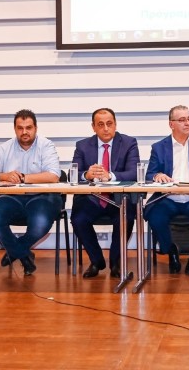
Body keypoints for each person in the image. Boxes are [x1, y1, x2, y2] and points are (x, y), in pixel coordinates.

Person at [0, 109, 62, 276]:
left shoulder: (46, 145)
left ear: (36, 128)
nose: (24, 132)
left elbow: (54, 176)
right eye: (20, 128)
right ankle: (24, 255)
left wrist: (23, 178)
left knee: (40, 222)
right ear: (15, 129)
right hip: (12, 196)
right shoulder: (5, 148)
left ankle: (14, 251)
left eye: (28, 127)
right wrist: (5, 175)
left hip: (42, 196)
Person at [145, 105, 189, 275]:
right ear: (171, 124)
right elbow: (150, 174)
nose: (188, 123)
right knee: (155, 216)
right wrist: (158, 175)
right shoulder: (159, 147)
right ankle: (171, 251)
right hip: (168, 198)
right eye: (182, 120)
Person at [71, 108, 139, 279]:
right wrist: (86, 175)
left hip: (118, 199)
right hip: (92, 198)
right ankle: (96, 261)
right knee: (78, 219)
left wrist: (111, 176)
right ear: (93, 127)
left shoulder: (129, 143)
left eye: (109, 124)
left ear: (115, 124)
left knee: (126, 217)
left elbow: (134, 173)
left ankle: (115, 262)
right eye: (100, 125)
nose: (106, 128)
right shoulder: (82, 146)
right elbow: (73, 174)